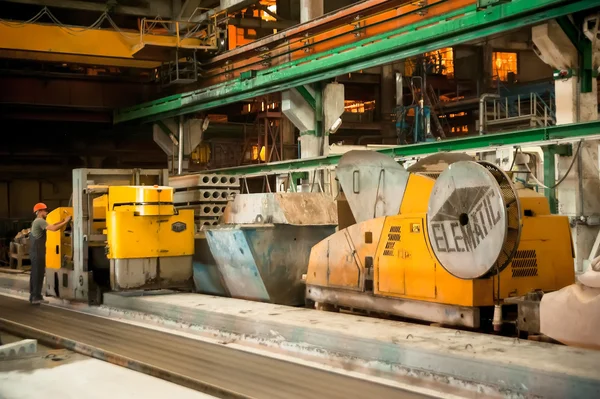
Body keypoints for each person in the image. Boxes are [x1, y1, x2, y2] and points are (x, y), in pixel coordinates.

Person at [29, 203, 71, 305]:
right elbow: (53, 228)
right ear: (39, 212)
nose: (46, 212)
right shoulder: (40, 221)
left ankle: (34, 296)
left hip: (36, 251)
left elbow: (52, 225)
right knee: (38, 274)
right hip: (38, 251)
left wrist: (62, 221)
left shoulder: (39, 222)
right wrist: (66, 221)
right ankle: (36, 297)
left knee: (35, 273)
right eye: (44, 210)